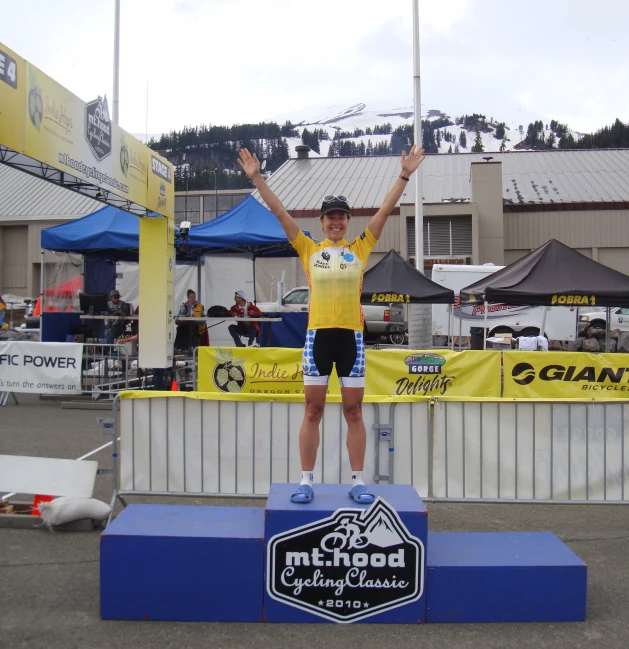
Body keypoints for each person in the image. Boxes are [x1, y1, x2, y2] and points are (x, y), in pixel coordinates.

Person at [238, 144, 427, 504]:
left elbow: (386, 211)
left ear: (348, 221)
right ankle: (306, 480)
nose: (336, 222)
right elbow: (279, 212)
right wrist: (257, 178)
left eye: (342, 217)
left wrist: (404, 175)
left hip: (352, 340)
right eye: (330, 217)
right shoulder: (309, 249)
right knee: (313, 410)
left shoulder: (360, 248)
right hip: (318, 339)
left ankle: (358, 480)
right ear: (321, 222)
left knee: (353, 411)